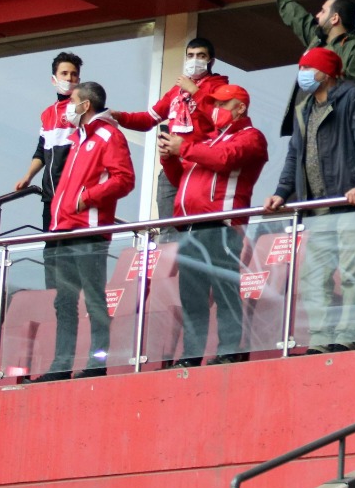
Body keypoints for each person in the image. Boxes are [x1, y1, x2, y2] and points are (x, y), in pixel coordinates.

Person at [266, 48, 355, 355]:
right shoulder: (303, 108)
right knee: (313, 278)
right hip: (317, 209)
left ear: (326, 73)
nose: (302, 74)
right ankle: (320, 339)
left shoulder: (353, 97)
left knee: (352, 274)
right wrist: (282, 191)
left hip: (349, 203)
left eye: (307, 68)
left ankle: (345, 337)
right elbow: (294, 155)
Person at [34, 81, 135, 382]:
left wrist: (86, 198)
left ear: (86, 105)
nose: (67, 107)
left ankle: (97, 361)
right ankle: (60, 365)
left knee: (93, 299)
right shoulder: (78, 137)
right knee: (64, 301)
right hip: (63, 230)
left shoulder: (109, 135)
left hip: (88, 231)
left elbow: (124, 179)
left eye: (72, 101)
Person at [166, 83, 268, 368]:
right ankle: (191, 356)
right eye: (215, 105)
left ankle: (229, 351)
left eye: (223, 104)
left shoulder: (251, 137)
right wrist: (168, 158)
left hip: (221, 225)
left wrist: (185, 147)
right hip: (190, 227)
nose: (216, 110)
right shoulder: (207, 140)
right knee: (192, 297)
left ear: (241, 108)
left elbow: (225, 160)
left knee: (225, 290)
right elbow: (180, 180)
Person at [112, 38, 229, 213]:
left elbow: (222, 118)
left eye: (201, 56)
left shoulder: (219, 87)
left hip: (200, 165)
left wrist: (194, 91)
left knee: (196, 222)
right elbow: (148, 119)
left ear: (211, 61)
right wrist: (119, 117)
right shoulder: (176, 90)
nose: (194, 60)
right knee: (168, 226)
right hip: (172, 165)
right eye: (190, 56)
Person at [261, 0, 355, 136]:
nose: (317, 15)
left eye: (323, 11)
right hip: (309, 132)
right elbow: (299, 19)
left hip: (336, 134)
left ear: (335, 18)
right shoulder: (319, 40)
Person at [16, 52, 83, 231]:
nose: (69, 78)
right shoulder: (47, 114)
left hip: (75, 194)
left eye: (74, 74)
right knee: (50, 245)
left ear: (79, 80)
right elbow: (41, 151)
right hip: (50, 195)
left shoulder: (82, 110)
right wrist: (28, 176)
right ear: (54, 79)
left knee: (70, 244)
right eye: (64, 73)